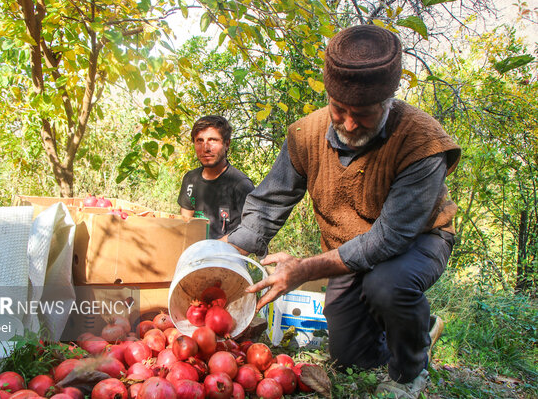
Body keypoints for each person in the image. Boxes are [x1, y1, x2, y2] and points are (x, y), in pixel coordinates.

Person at [225, 25, 460, 399]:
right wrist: (229, 250)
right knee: (352, 360)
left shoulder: (422, 142)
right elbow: (270, 202)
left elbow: (388, 240)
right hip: (347, 249)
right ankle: (415, 327)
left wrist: (304, 269)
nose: (350, 124)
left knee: (388, 284)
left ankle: (409, 370)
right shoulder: (305, 133)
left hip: (418, 241)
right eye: (339, 110)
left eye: (364, 114)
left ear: (388, 101)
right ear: (329, 96)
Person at [178, 115, 255, 239]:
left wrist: (212, 250)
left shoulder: (241, 185)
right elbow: (185, 222)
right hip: (193, 251)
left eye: (213, 140)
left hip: (226, 255)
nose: (206, 148)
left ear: (227, 143)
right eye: (199, 141)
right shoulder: (190, 179)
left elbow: (249, 233)